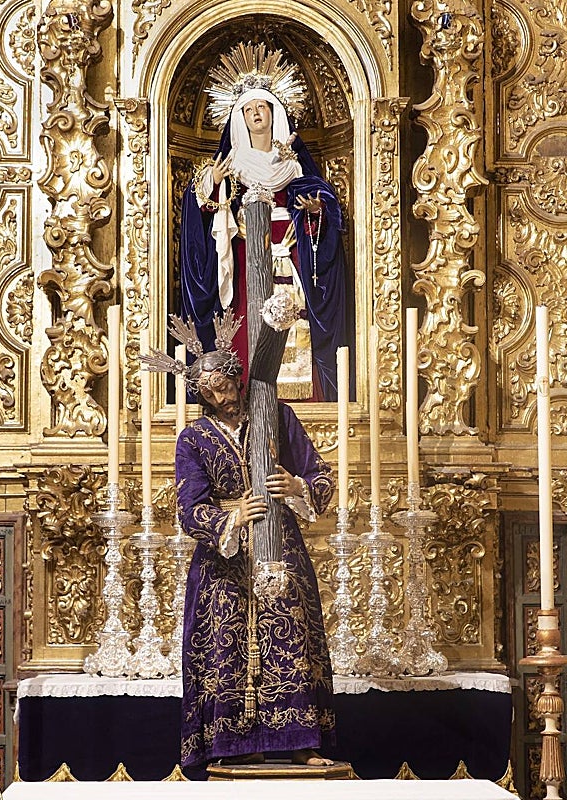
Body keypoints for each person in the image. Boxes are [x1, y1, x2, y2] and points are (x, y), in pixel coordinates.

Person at [173, 345, 336, 768]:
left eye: (225, 387)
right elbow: (189, 508)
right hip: (222, 566)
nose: (221, 399)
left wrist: (296, 486)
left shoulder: (277, 417)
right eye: (209, 394)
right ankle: (231, 746)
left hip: (281, 548)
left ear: (237, 378)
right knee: (224, 650)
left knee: (291, 637)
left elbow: (320, 475)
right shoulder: (193, 439)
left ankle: (299, 741)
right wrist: (234, 515)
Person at [180, 45, 348, 401]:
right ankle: (248, 400)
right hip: (246, 253)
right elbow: (202, 214)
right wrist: (211, 184)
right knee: (246, 319)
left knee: (294, 317)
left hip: (290, 252)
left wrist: (316, 210)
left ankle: (299, 401)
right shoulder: (230, 164)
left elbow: (322, 207)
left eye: (262, 107)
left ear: (274, 113)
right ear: (240, 118)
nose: (257, 114)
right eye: (249, 109)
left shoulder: (294, 165)